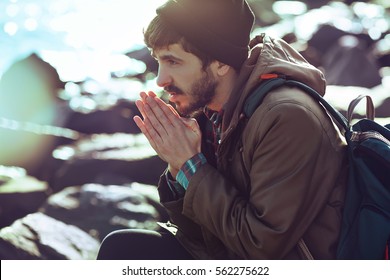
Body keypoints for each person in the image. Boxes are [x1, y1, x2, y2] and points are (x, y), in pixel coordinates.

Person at [97, 0, 347, 260]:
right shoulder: (212, 112)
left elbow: (261, 246)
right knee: (124, 248)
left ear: (220, 62)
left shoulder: (288, 117)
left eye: (173, 61)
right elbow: (198, 233)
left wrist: (190, 166)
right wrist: (178, 168)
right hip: (233, 255)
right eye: (158, 61)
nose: (161, 79)